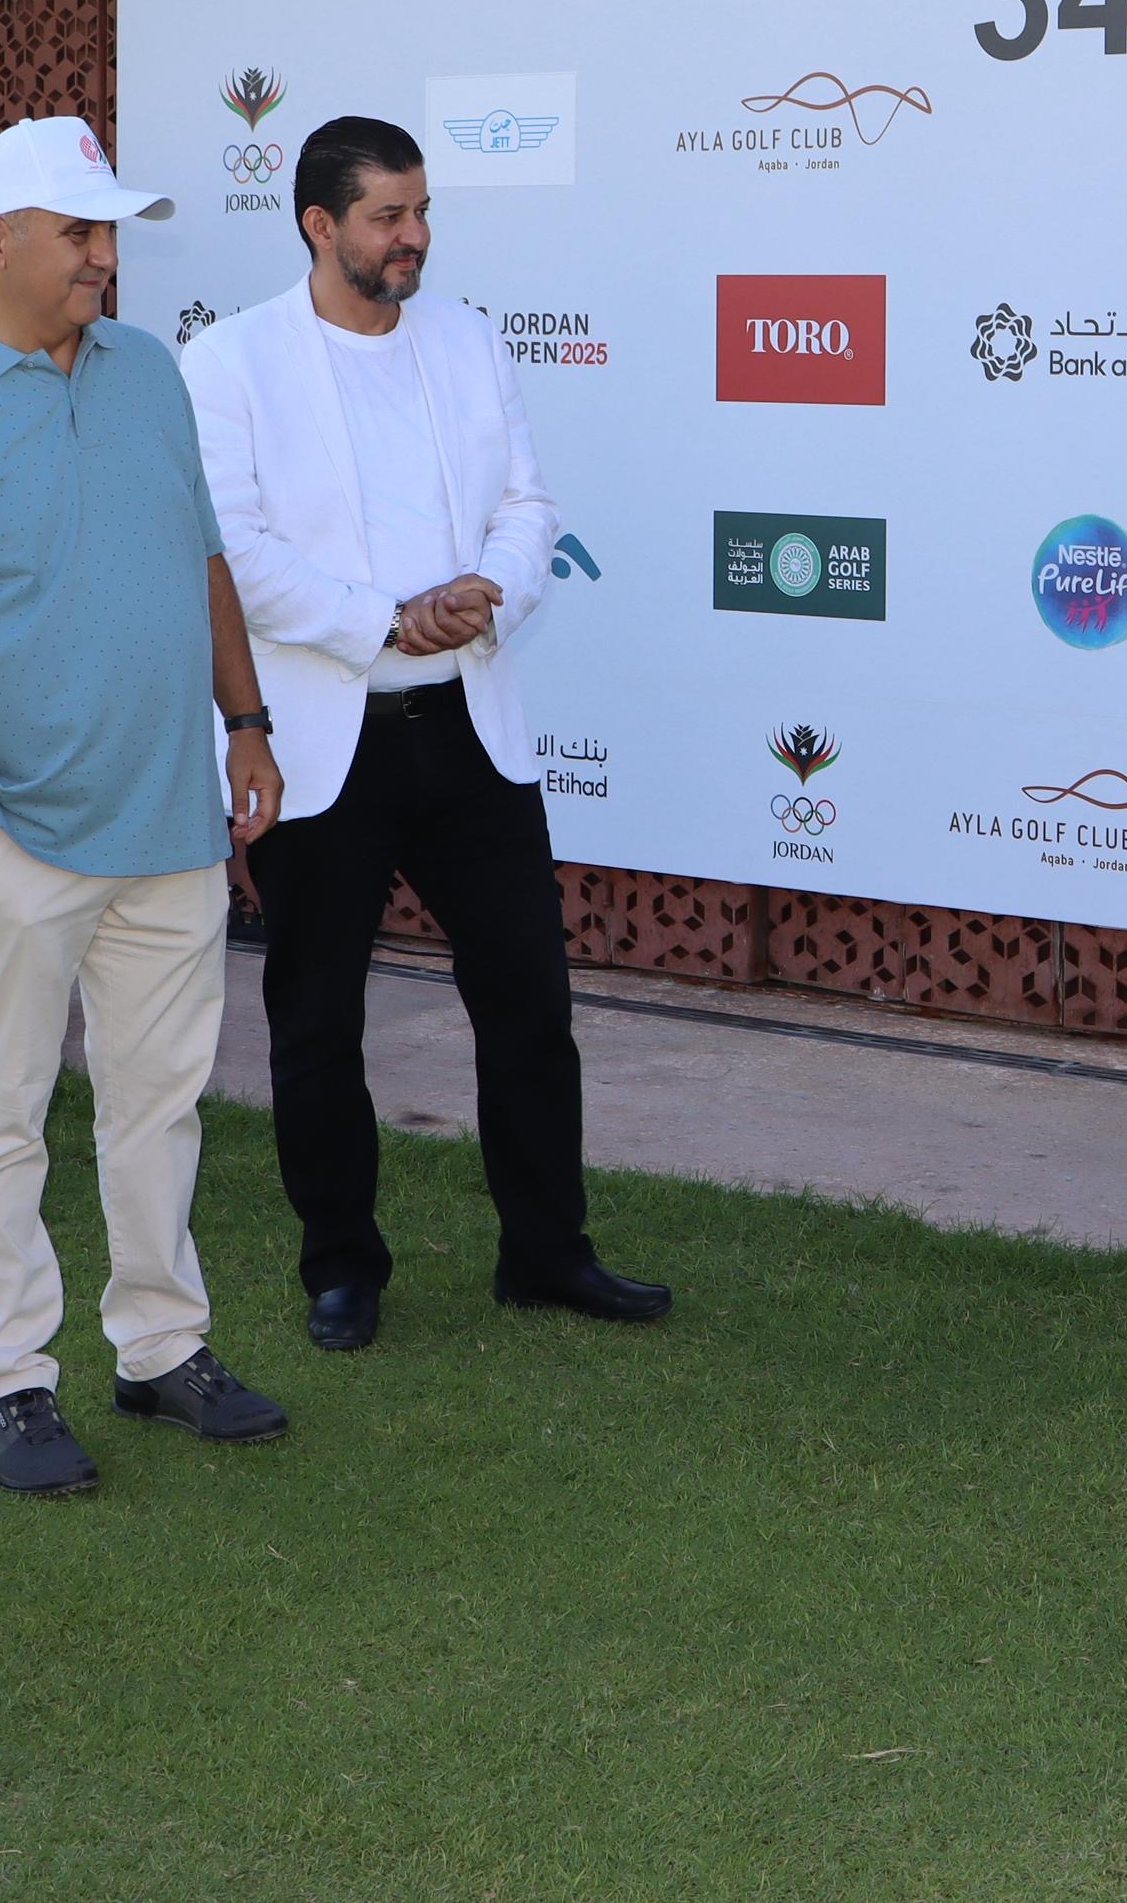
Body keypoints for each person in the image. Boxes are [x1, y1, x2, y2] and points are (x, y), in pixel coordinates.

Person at [0, 116, 292, 1495]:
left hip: (170, 820)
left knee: (161, 1105)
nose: (105, 256)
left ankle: (160, 1345)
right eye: (80, 231)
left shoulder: (148, 370)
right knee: (0, 1116)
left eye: (110, 232)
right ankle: (8, 1379)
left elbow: (201, 556)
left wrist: (247, 719)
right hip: (13, 838)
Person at [183, 116, 666, 1352]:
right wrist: (384, 621)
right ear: (319, 224)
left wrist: (487, 589)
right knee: (316, 1017)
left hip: (467, 725)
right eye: (387, 215)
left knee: (528, 998)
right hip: (323, 738)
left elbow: (527, 501)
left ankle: (546, 1251)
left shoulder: (466, 336)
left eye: (421, 210)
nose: (414, 236)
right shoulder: (231, 360)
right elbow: (233, 550)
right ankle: (341, 1268)